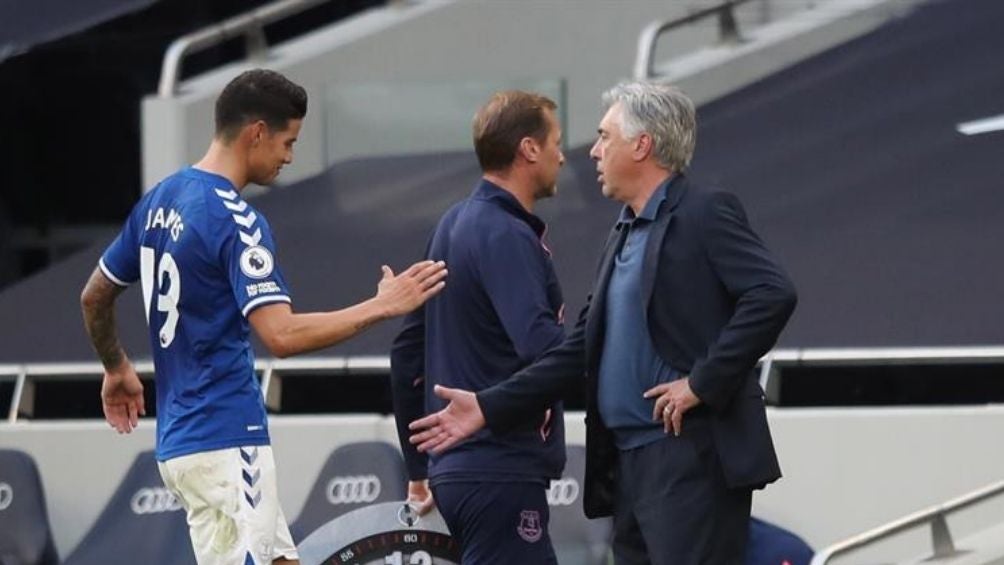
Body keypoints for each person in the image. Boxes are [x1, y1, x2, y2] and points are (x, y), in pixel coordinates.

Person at [409, 81, 797, 564]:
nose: (592, 151)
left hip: (689, 457)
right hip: (629, 465)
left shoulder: (705, 211)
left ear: (642, 145)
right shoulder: (622, 231)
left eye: (604, 137)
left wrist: (701, 382)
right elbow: (577, 351)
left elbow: (772, 293)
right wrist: (488, 407)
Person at [79, 69, 446, 565]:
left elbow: (94, 296)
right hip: (226, 440)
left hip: (184, 444)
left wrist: (115, 366)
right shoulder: (234, 217)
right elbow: (282, 334)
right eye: (287, 142)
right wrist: (382, 305)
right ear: (256, 132)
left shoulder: (160, 200)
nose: (289, 157)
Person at [390, 90, 568, 564]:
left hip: (458, 472)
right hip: (499, 468)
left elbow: (407, 352)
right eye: (556, 142)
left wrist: (419, 465)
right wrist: (598, 339)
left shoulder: (452, 224)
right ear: (529, 149)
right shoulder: (504, 233)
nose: (562, 155)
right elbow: (541, 346)